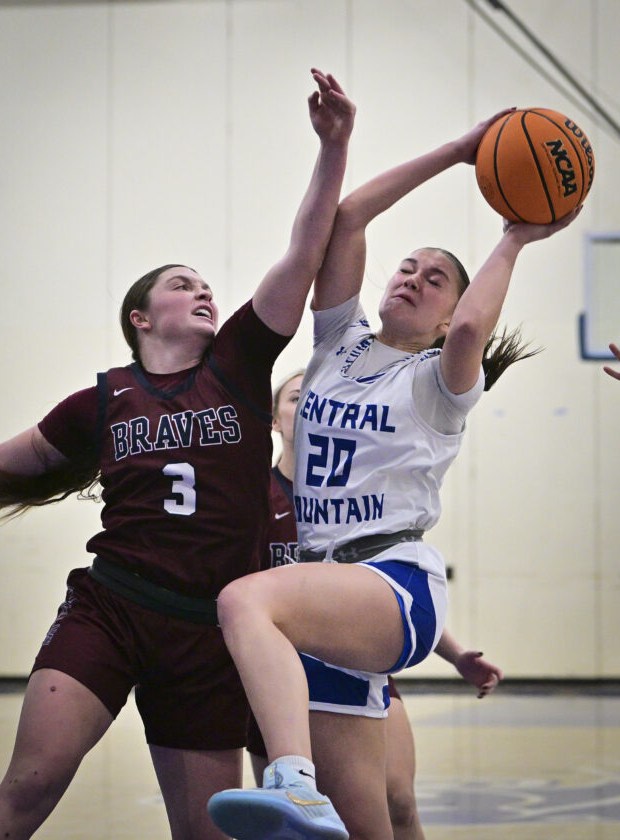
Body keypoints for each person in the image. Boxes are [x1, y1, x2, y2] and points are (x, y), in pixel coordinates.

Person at [0, 69, 355, 840]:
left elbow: (305, 251)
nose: (204, 291)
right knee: (29, 788)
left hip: (208, 629)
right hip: (113, 608)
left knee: (204, 832)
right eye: (181, 284)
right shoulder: (103, 400)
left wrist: (334, 145)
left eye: (206, 285)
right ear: (140, 316)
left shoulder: (238, 364)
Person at [207, 109, 581, 840]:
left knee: (244, 601)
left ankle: (290, 779)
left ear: (447, 318)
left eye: (436, 280)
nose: (413, 278)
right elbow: (348, 218)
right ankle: (308, 794)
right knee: (369, 825)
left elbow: (472, 329)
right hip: (327, 598)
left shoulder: (440, 383)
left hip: (394, 583)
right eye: (408, 267)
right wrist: (458, 150)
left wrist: (515, 235)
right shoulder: (337, 343)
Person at [246, 372, 504, 840]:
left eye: (316, 398)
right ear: (274, 420)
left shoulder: (355, 497)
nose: (308, 407)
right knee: (294, 824)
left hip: (356, 660)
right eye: (297, 398)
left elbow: (387, 587)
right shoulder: (255, 499)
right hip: (283, 678)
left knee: (398, 802)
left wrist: (455, 654)